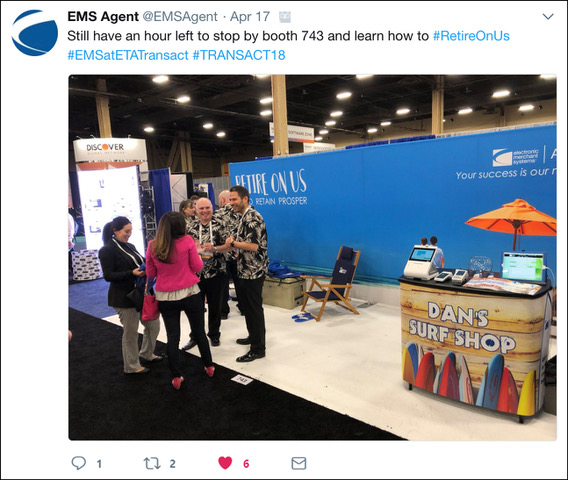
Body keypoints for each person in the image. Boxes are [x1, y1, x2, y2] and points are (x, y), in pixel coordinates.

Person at [145, 211, 215, 389]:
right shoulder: (188, 241)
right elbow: (197, 267)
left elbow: (150, 274)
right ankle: (209, 366)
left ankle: (176, 376)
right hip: (190, 292)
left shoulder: (153, 245)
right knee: (199, 332)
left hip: (165, 296)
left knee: (172, 337)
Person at [98, 216, 162, 375]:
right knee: (131, 333)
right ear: (115, 231)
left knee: (153, 325)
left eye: (131, 231)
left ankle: (146, 353)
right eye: (126, 231)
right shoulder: (107, 250)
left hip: (141, 293)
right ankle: (132, 366)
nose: (129, 234)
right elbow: (108, 276)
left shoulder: (130, 246)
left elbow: (141, 262)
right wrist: (131, 273)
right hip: (124, 298)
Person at [225, 185, 268, 363]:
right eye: (230, 199)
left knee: (254, 309)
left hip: (253, 271)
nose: (231, 203)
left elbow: (253, 246)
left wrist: (233, 243)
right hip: (244, 269)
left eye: (234, 199)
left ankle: (258, 349)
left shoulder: (253, 217)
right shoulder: (243, 216)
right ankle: (253, 337)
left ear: (245, 199)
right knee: (248, 309)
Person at [183, 197, 232, 350]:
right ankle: (195, 336)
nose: (205, 211)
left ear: (212, 208)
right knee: (195, 308)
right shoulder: (190, 227)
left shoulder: (221, 224)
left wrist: (215, 248)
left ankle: (214, 334)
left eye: (207, 208)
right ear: (196, 210)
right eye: (201, 208)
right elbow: (184, 248)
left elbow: (229, 247)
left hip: (216, 272)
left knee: (215, 307)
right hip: (195, 275)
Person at [215, 189, 240, 319]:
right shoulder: (241, 213)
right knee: (240, 282)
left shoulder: (217, 214)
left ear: (223, 200)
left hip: (223, 254)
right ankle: (244, 307)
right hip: (239, 252)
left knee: (223, 284)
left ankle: (223, 311)